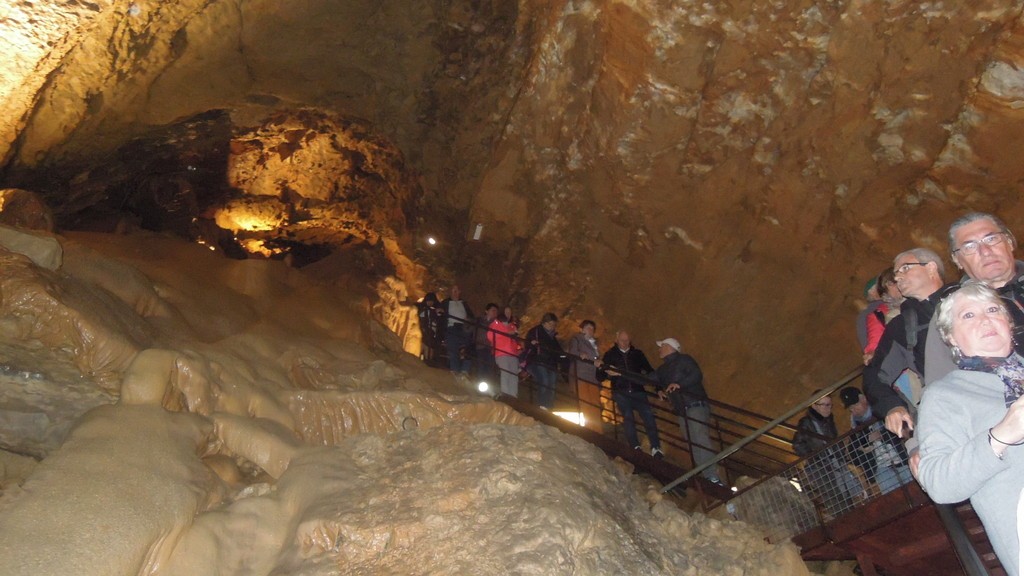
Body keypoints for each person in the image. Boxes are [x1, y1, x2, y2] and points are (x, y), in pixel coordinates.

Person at [917, 281, 1024, 574]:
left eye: (992, 310)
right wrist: (1000, 436)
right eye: (969, 315)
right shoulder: (946, 395)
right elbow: (937, 482)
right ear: (950, 337)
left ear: (1009, 322)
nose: (986, 319)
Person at [925, 212, 1024, 386]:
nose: (985, 251)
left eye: (992, 239)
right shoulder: (953, 311)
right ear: (957, 260)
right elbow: (941, 385)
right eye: (970, 246)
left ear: (1009, 241)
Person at [862, 248, 952, 439]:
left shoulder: (971, 297)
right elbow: (875, 374)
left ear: (931, 268)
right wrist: (892, 406)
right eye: (895, 274)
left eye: (905, 268)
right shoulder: (902, 326)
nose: (898, 277)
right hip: (951, 411)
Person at [654, 337, 723, 485]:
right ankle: (707, 476)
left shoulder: (684, 360)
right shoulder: (662, 370)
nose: (659, 349)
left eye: (662, 346)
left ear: (670, 347)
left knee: (700, 438)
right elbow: (652, 379)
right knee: (693, 442)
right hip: (682, 411)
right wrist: (658, 389)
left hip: (695, 404)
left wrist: (679, 384)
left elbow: (696, 375)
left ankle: (713, 476)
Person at [793, 391, 863, 519]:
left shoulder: (828, 420)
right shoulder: (806, 422)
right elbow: (798, 444)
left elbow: (833, 439)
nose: (828, 408)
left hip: (834, 462)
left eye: (830, 405)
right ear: (815, 406)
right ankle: (846, 523)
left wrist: (841, 455)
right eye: (824, 405)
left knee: (845, 494)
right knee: (834, 497)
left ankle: (852, 520)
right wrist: (815, 458)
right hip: (820, 467)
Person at [599, 331, 664, 458]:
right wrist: (602, 368)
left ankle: (656, 448)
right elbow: (600, 376)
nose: (625, 343)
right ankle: (635, 446)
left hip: (638, 390)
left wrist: (658, 388)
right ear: (617, 340)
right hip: (621, 391)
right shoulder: (610, 355)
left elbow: (649, 371)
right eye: (622, 340)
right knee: (628, 417)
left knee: (648, 416)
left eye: (627, 340)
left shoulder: (637, 354)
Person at [839, 386, 910, 495]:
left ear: (863, 399)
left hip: (902, 460)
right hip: (881, 469)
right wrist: (867, 440)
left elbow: (901, 430)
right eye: (850, 408)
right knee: (895, 500)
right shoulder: (855, 426)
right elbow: (853, 450)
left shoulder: (881, 410)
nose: (853, 410)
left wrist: (882, 436)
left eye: (855, 405)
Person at [522, 312, 565, 410]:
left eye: (554, 324)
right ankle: (542, 405)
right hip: (538, 361)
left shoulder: (552, 337)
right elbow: (528, 345)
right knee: (544, 379)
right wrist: (532, 344)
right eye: (550, 324)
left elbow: (558, 351)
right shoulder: (536, 332)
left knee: (552, 383)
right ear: (544, 323)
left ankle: (549, 406)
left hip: (551, 363)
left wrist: (564, 357)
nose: (552, 326)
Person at [440, 285, 474, 375]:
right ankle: (455, 370)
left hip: (463, 327)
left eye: (456, 290)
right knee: (453, 349)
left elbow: (471, 316)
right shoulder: (446, 302)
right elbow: (439, 309)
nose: (455, 292)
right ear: (451, 292)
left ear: (459, 292)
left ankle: (464, 370)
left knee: (468, 348)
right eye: (453, 290)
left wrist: (469, 319)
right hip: (452, 327)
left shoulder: (464, 303)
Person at [489, 311, 521, 397]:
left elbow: (516, 338)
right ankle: (506, 395)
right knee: (506, 374)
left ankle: (513, 395)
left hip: (513, 354)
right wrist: (508, 332)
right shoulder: (496, 324)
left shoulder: (512, 326)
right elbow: (490, 335)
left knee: (514, 375)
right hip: (502, 353)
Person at [473, 303, 499, 383]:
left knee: (489, 367)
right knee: (481, 366)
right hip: (480, 346)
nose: (495, 313)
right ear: (487, 311)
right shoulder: (479, 320)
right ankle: (480, 385)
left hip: (490, 348)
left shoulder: (497, 324)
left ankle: (488, 386)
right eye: (493, 310)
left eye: (496, 311)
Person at [416, 292, 442, 366]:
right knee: (424, 344)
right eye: (428, 301)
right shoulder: (422, 309)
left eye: (432, 301)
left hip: (431, 333)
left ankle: (428, 361)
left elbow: (439, 320)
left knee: (430, 345)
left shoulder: (436, 311)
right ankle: (423, 360)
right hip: (423, 332)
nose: (430, 303)